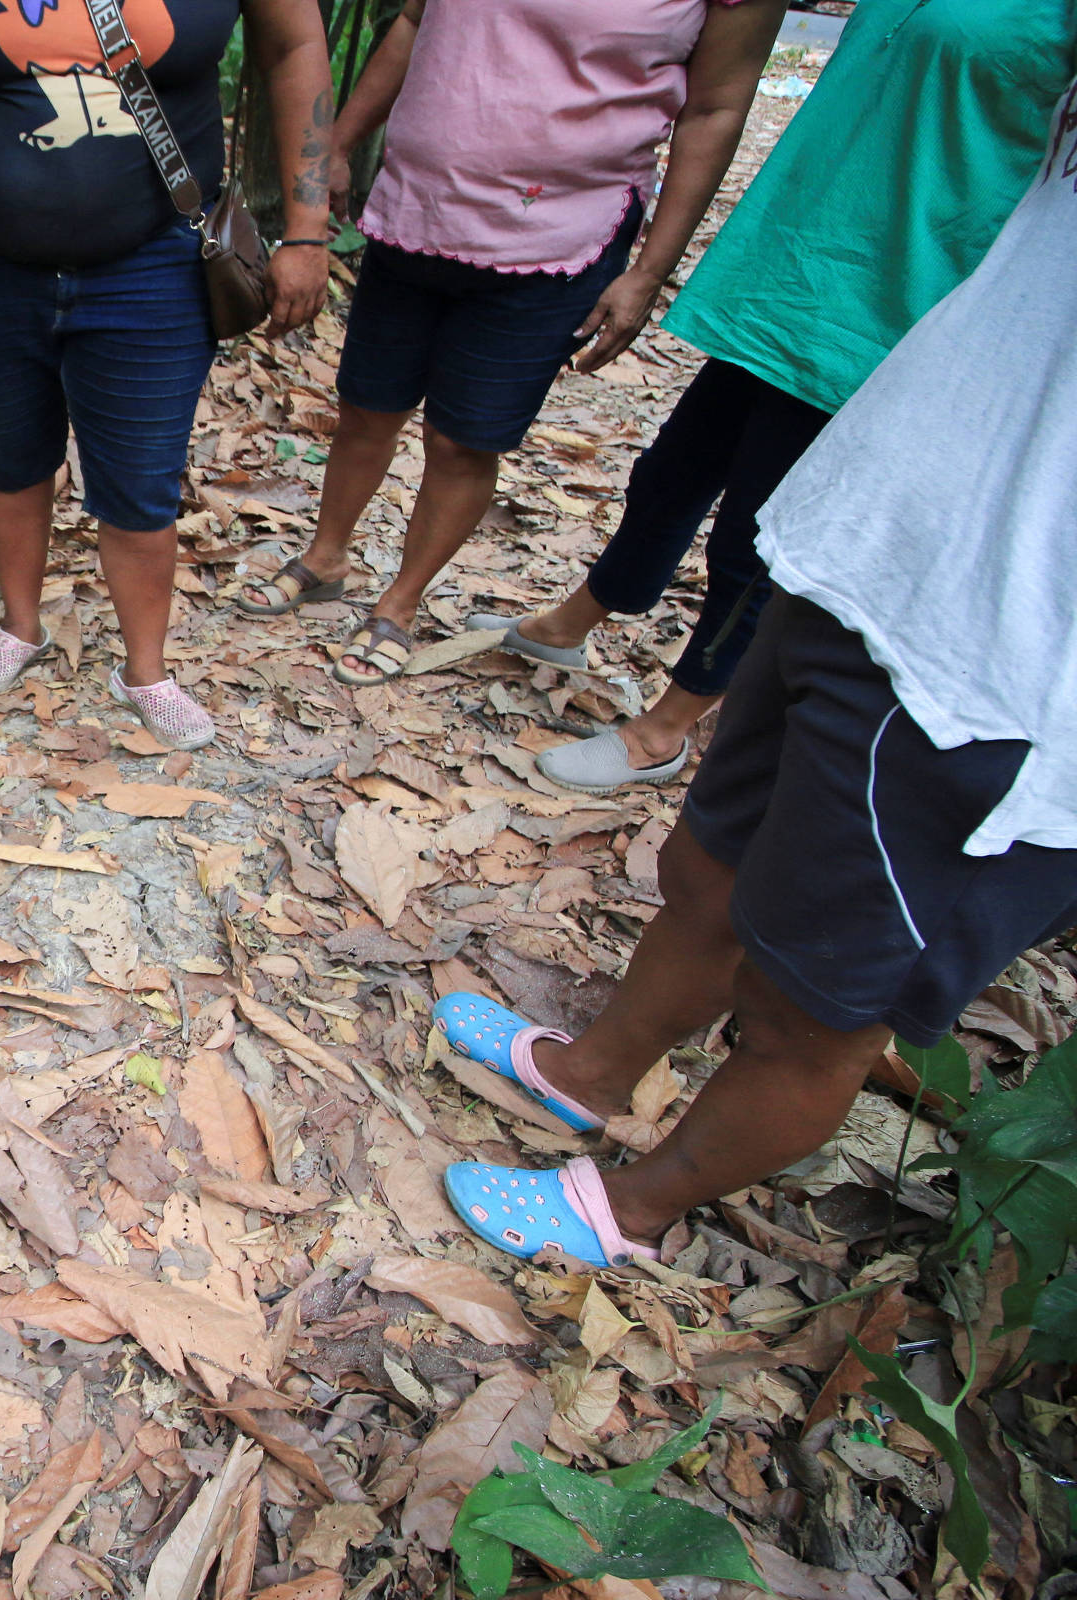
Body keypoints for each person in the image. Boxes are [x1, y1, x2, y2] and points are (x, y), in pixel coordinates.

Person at [436, 81, 1077, 1270]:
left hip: (1002, 672)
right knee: (705, 868)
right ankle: (588, 1072)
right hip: (869, 548)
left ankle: (630, 1208)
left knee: (813, 1005)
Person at [485, 0, 1077, 795]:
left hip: (902, 300)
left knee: (754, 539)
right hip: (797, 267)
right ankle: (569, 625)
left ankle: (663, 731)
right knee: (670, 476)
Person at [241, 0, 785, 688]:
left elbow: (713, 111)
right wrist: (338, 145)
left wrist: (647, 273)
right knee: (367, 406)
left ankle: (400, 603)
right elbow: (414, 21)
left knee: (464, 439)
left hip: (558, 234)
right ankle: (326, 558)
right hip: (420, 204)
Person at [0, 0, 333, 749]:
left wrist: (308, 229)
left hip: (154, 259)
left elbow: (294, 44)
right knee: (11, 452)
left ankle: (145, 672)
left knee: (140, 480)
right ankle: (21, 626)